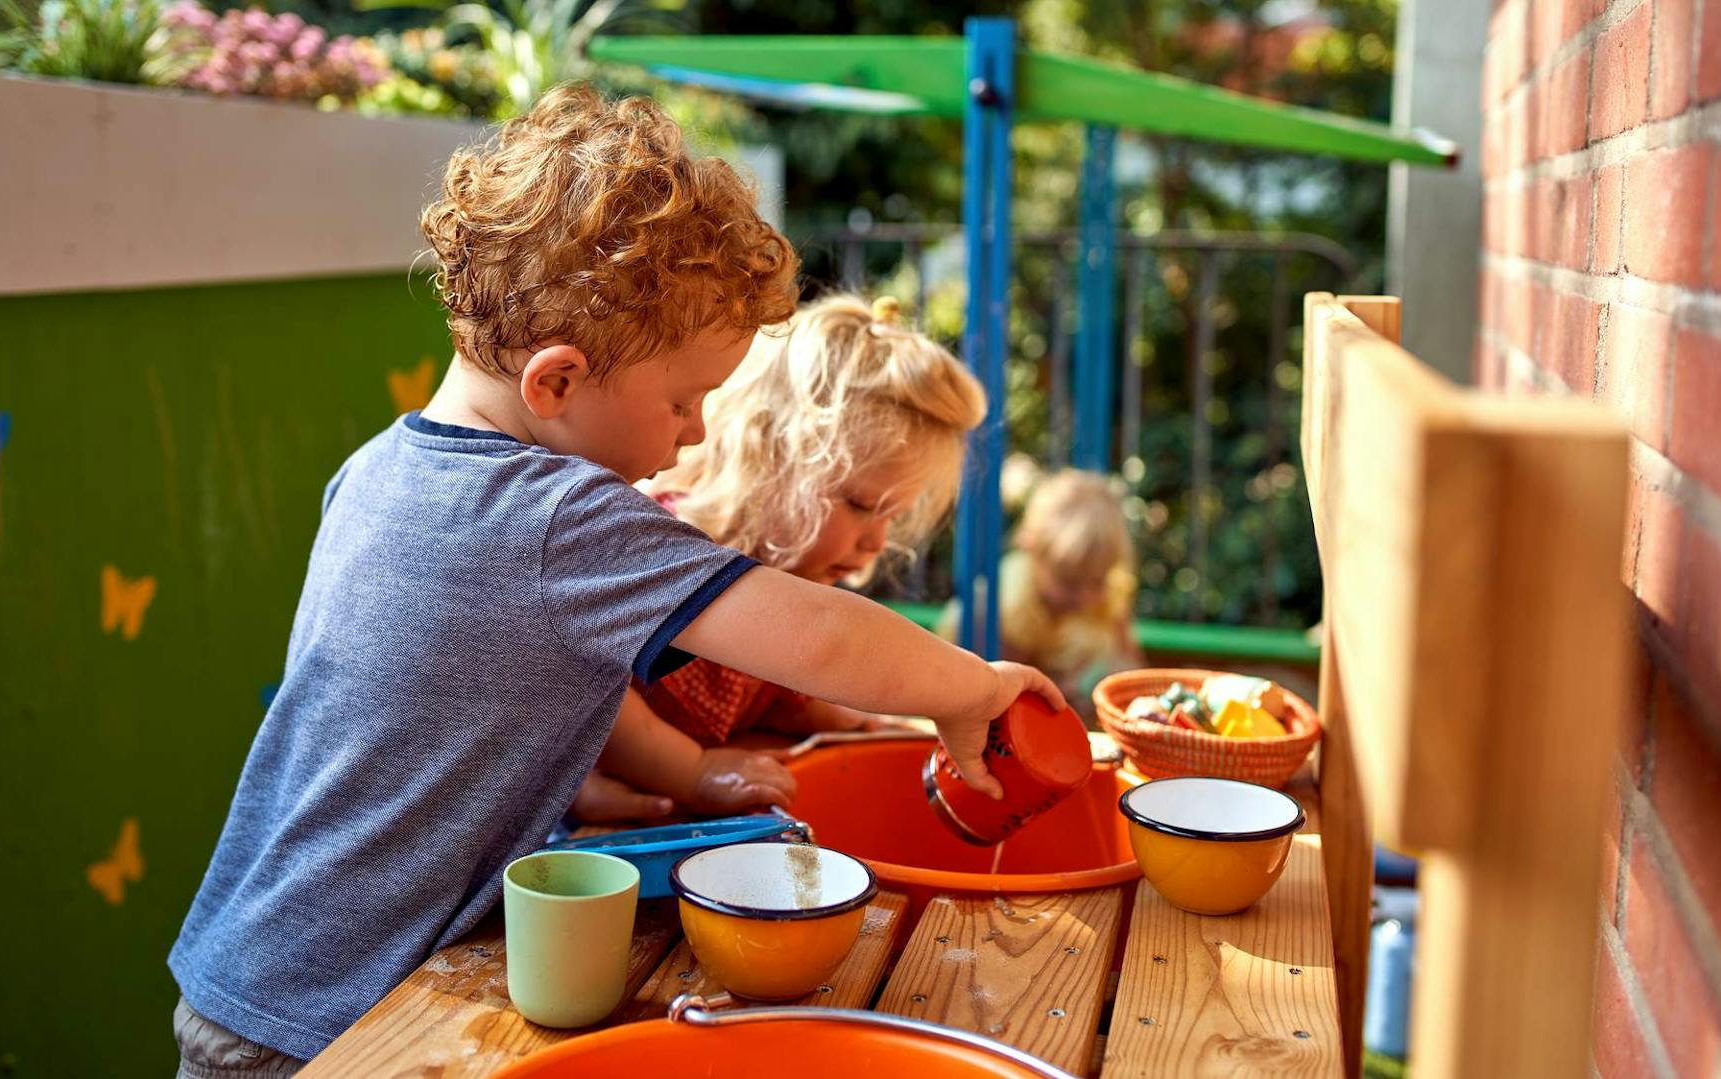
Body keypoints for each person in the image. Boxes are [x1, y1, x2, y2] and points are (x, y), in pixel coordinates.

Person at [166, 84, 1062, 1075]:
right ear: (555, 382)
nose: (698, 432)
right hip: (335, 1008)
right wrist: (972, 689)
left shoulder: (378, 468)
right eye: (684, 400)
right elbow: (817, 633)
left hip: (257, 963)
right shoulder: (558, 514)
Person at [586, 294, 986, 813]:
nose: (877, 542)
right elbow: (605, 703)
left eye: (892, 516)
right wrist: (694, 771)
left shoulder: (790, 566)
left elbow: (777, 691)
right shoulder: (668, 546)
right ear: (769, 455)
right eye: (862, 504)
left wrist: (848, 720)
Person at [937, 468, 1142, 710]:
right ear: (1031, 551)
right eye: (1070, 583)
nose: (1085, 595)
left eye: (1097, 582)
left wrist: (1096, 677)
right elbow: (993, 694)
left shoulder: (1108, 603)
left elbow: (1132, 676)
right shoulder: (1002, 608)